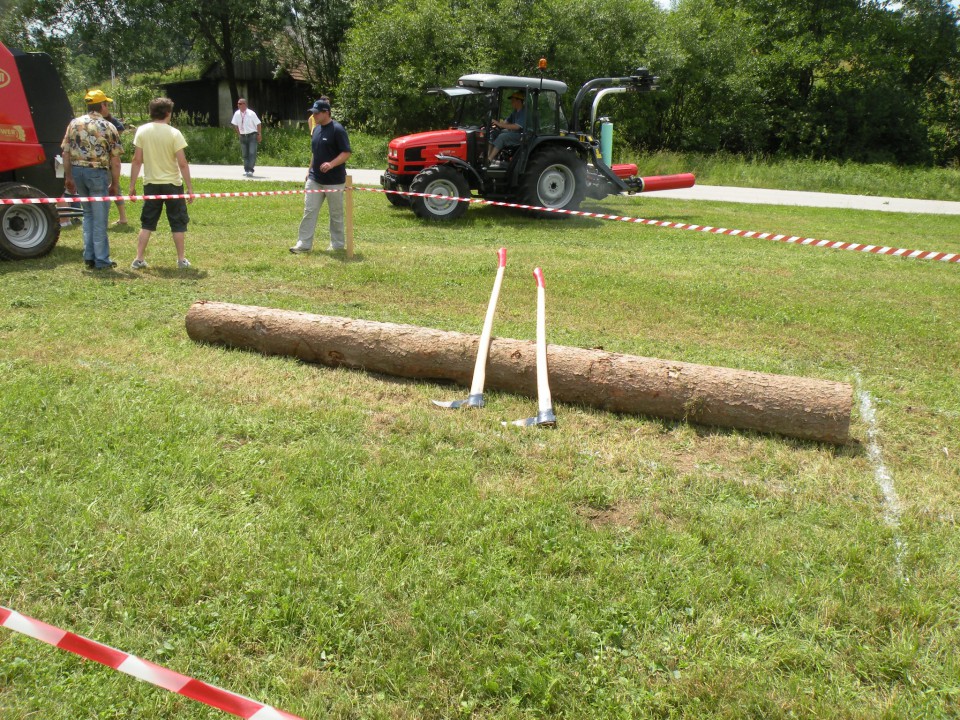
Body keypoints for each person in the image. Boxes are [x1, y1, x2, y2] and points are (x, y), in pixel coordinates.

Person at [128, 97, 195, 270]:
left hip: (151, 184)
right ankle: (181, 260)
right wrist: (189, 187)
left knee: (147, 223)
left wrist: (132, 185)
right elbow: (182, 163)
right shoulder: (174, 133)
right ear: (167, 113)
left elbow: (136, 161)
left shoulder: (142, 131)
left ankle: (139, 258)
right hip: (173, 184)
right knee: (178, 222)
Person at [60, 89, 122, 269]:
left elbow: (65, 152)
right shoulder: (108, 126)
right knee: (100, 217)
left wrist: (69, 177)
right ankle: (101, 260)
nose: (107, 107)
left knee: (88, 214)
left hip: (78, 171)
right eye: (107, 104)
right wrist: (115, 184)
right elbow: (115, 160)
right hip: (97, 173)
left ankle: (89, 255)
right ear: (102, 105)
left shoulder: (73, 124)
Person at [290, 97, 352, 254]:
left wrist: (331, 164)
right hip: (315, 179)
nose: (314, 116)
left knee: (336, 214)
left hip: (334, 181)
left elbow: (346, 152)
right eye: (313, 113)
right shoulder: (316, 129)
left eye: (317, 113)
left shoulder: (337, 129)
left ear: (326, 113)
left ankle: (337, 245)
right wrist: (309, 170)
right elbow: (315, 152)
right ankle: (304, 244)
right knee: (309, 211)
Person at [101, 103, 129, 225]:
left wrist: (112, 137)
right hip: (104, 163)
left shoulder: (111, 121)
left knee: (114, 189)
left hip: (109, 162)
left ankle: (122, 218)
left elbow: (121, 128)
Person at [487, 91, 526, 164]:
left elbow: (517, 127)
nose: (511, 102)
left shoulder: (524, 112)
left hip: (522, 136)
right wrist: (496, 124)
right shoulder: (515, 112)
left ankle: (489, 159)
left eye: (513, 100)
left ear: (519, 101)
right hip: (514, 133)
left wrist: (500, 124)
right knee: (493, 132)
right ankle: (487, 156)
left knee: (502, 137)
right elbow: (506, 122)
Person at [230, 98, 262, 177]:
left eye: (240, 104)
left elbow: (258, 123)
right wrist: (239, 133)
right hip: (243, 136)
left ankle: (250, 170)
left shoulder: (251, 113)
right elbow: (235, 124)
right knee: (245, 154)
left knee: (252, 153)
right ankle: (246, 169)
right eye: (238, 104)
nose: (238, 105)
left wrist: (259, 134)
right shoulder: (237, 113)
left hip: (252, 135)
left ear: (244, 104)